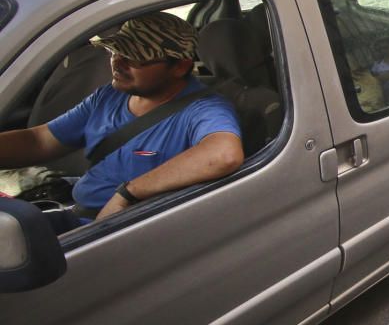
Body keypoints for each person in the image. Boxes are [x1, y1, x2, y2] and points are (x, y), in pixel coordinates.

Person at [0, 13, 244, 225]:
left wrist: (129, 193)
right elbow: (40, 140)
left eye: (134, 57)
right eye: (115, 51)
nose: (117, 62)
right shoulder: (108, 96)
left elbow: (224, 154)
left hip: (118, 229)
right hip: (77, 213)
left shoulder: (204, 109)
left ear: (180, 67)